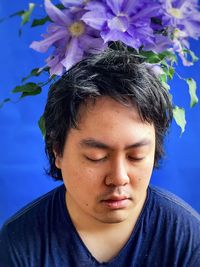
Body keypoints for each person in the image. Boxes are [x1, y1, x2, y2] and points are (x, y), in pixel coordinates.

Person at [0, 45, 200, 267]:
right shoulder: (19, 244)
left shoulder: (186, 237)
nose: (118, 178)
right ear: (58, 151)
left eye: (136, 155)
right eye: (96, 157)